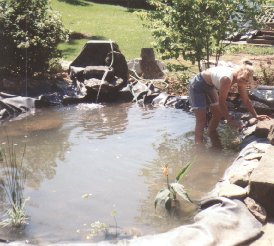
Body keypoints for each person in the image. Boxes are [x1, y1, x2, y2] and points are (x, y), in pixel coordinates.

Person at [188, 63, 271, 144]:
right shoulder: (226, 79)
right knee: (201, 119)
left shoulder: (242, 79)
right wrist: (229, 119)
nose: (243, 83)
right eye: (242, 80)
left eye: (246, 81)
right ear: (239, 73)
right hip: (198, 84)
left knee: (217, 114)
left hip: (210, 86)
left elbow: (246, 100)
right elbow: (222, 102)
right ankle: (198, 147)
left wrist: (255, 115)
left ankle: (212, 135)